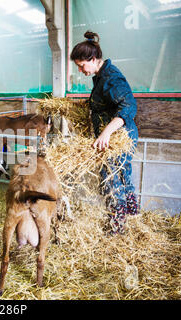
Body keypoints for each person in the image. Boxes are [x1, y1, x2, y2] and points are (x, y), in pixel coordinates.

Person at [70, 31, 139, 235]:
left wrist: (106, 132)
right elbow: (106, 102)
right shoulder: (100, 76)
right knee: (121, 176)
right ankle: (131, 217)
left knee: (112, 178)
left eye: (82, 65)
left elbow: (129, 107)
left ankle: (117, 226)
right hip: (112, 137)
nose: (81, 70)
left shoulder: (111, 78)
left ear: (92, 59)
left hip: (119, 136)